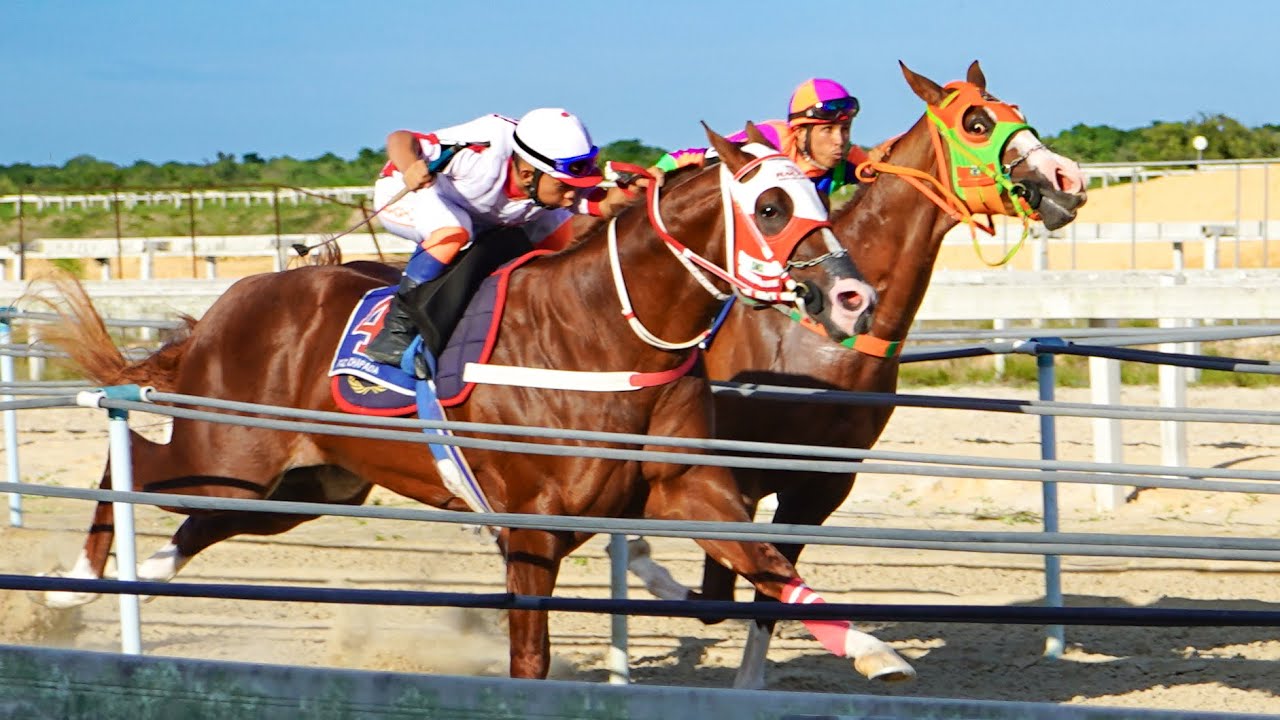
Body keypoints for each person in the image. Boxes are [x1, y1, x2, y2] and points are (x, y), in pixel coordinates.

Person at [363, 108, 643, 368]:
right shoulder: (481, 149)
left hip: (479, 210)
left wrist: (633, 194)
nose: (572, 195)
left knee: (558, 228)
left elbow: (602, 205)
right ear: (526, 173)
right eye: (564, 186)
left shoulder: (544, 177)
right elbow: (400, 138)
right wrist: (411, 165)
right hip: (411, 192)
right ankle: (396, 332)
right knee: (453, 231)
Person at [653, 78, 868, 197]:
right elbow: (693, 157)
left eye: (845, 129)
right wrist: (660, 169)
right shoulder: (771, 139)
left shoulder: (849, 158)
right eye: (828, 130)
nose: (840, 140)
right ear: (801, 132)